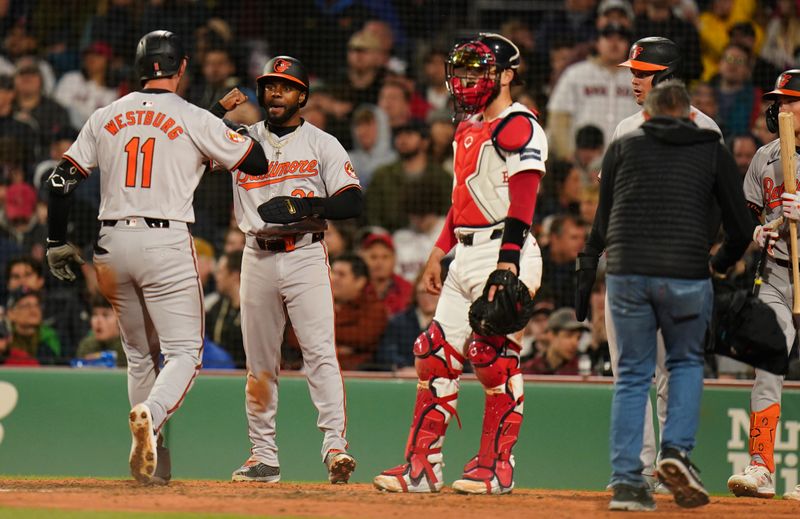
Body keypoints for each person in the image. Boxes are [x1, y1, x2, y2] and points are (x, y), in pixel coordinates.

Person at [43, 30, 268, 486]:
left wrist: (54, 240)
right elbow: (257, 161)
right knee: (185, 352)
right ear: (181, 67)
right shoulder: (192, 116)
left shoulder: (106, 114)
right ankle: (151, 412)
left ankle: (154, 466)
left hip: (111, 245)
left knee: (139, 355)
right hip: (164, 242)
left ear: (140, 67)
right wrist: (220, 128)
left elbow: (59, 181)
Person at [373, 33, 546, 495]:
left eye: (481, 69)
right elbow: (462, 198)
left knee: (493, 359)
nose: (469, 79)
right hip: (465, 251)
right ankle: (422, 467)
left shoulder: (520, 125)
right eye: (465, 70)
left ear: (507, 75)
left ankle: (496, 466)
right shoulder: (468, 127)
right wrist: (437, 250)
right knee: (433, 354)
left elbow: (523, 205)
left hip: (507, 249)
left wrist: (506, 267)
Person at [587, 80, 752, 511]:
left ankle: (627, 484)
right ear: (687, 114)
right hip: (685, 272)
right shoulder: (711, 147)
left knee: (632, 375)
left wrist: (594, 264)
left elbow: (604, 220)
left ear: (648, 114)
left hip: (626, 275)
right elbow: (740, 226)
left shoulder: (622, 146)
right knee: (682, 365)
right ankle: (675, 451)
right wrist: (717, 264)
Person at [212, 55, 361, 485]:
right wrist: (215, 111)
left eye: (285, 85)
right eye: (269, 85)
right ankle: (263, 457)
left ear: (302, 96)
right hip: (256, 254)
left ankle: (335, 447)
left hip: (305, 254)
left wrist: (307, 206)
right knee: (259, 362)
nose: (275, 92)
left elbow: (352, 201)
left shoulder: (321, 142)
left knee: (319, 353)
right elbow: (188, 145)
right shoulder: (239, 139)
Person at [728, 69, 800, 501]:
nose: (780, 108)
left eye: (789, 101)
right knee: (768, 363)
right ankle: (761, 466)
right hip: (776, 271)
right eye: (778, 101)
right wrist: (758, 231)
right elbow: (750, 213)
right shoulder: (765, 156)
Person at [546, 21, 638, 159]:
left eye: (620, 39)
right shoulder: (576, 73)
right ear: (597, 43)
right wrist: (568, 158)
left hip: (629, 161)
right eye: (609, 38)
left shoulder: (640, 77)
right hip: (585, 164)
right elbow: (558, 118)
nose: (614, 44)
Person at [330, 252, 388, 370]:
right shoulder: (317, 300)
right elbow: (294, 336)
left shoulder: (374, 307)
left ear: (360, 282)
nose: (333, 278)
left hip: (358, 374)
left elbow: (363, 337)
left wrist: (319, 344)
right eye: (332, 273)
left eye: (341, 274)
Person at [357, 231, 412, 317]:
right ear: (363, 259)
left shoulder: (408, 290)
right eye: (373, 257)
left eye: (385, 257)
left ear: (394, 259)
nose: (379, 263)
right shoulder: (355, 288)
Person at [205, 250, 244, 368]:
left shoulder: (254, 309)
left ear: (234, 275)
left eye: (220, 272)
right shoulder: (217, 308)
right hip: (220, 370)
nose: (216, 277)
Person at [521, 307, 587, 375]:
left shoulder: (583, 373)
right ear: (551, 335)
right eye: (568, 336)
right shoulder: (529, 370)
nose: (575, 343)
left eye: (578, 338)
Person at [75, 294, 125, 367]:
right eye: (95, 314)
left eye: (105, 315)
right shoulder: (86, 346)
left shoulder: (129, 349)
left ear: (120, 319)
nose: (98, 321)